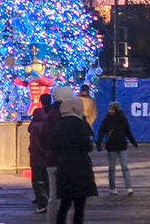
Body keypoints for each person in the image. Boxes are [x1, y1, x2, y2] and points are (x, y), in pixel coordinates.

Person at [51, 97, 98, 224]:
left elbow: (53, 146)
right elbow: (87, 146)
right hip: (80, 169)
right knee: (79, 207)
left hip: (64, 167)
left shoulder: (59, 125)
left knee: (64, 205)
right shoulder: (81, 124)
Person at [95, 100, 138, 195]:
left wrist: (133, 142)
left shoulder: (122, 119)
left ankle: (129, 187)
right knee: (111, 168)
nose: (110, 111)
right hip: (112, 146)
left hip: (121, 145)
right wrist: (98, 143)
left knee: (125, 167)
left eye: (112, 109)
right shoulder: (106, 120)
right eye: (110, 109)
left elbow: (128, 131)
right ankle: (112, 188)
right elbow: (101, 132)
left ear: (116, 110)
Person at [44, 85, 72, 222]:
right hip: (64, 161)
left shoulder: (49, 115)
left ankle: (50, 221)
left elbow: (43, 138)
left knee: (53, 196)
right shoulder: (64, 116)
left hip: (50, 160)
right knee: (66, 196)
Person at [27, 92, 53, 213]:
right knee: (46, 179)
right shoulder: (49, 119)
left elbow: (36, 143)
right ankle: (46, 198)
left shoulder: (36, 126)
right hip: (46, 156)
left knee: (38, 180)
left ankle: (42, 201)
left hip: (38, 157)